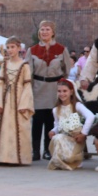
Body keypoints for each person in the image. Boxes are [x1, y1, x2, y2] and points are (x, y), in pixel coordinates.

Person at [28, 20, 74, 160]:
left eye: (47, 29)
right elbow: (28, 71)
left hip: (55, 88)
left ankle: (48, 149)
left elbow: (67, 69)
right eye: (42, 29)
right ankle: (35, 150)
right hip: (38, 87)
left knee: (51, 119)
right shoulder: (32, 50)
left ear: (53, 32)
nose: (44, 32)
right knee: (37, 120)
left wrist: (61, 86)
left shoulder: (61, 49)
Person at [0, 37, 35, 166]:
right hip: (6, 100)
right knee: (5, 127)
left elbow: (27, 86)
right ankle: (2, 156)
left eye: (12, 47)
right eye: (8, 47)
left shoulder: (24, 65)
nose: (10, 50)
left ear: (19, 48)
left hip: (19, 99)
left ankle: (19, 158)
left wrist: (25, 104)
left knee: (19, 127)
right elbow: (0, 84)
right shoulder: (4, 65)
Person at [47, 80, 96, 170]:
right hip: (63, 138)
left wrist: (83, 133)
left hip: (75, 139)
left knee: (68, 155)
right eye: (59, 91)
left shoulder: (77, 106)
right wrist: (53, 131)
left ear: (71, 92)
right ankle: (61, 161)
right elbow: (58, 125)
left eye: (65, 91)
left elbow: (91, 116)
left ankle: (76, 159)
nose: (62, 94)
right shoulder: (56, 109)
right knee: (56, 138)